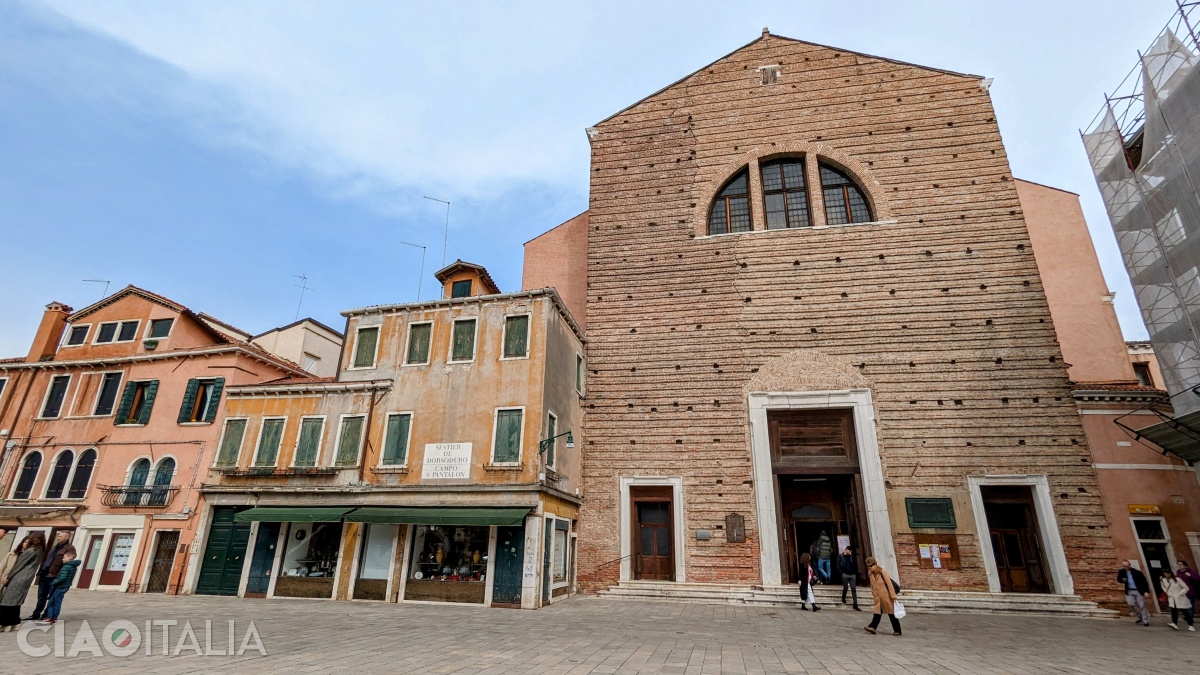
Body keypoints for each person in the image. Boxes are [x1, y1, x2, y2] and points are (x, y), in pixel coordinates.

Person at [0, 532, 46, 631]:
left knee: (8, 601)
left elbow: (19, 565)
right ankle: (14, 623)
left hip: (19, 577)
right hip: (28, 578)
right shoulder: (40, 550)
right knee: (17, 601)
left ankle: (5, 624)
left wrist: (8, 576)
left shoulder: (31, 550)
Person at [27, 530, 75, 622]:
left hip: (53, 576)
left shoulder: (69, 548)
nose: (58, 538)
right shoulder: (55, 547)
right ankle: (36, 614)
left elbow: (70, 559)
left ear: (67, 537)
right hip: (44, 574)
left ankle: (47, 615)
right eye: (58, 536)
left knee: (51, 596)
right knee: (41, 596)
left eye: (60, 536)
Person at [863, 556, 901, 636]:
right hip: (878, 597)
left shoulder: (882, 572)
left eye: (871, 566)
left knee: (891, 614)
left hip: (886, 596)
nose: (870, 568)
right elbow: (872, 586)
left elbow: (889, 584)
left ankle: (897, 630)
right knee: (877, 612)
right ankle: (872, 627)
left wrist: (893, 596)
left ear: (875, 564)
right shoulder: (871, 574)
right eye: (869, 566)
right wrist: (873, 593)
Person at [40, 551, 79, 625]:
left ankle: (50, 617)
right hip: (65, 586)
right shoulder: (73, 566)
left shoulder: (66, 567)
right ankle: (54, 617)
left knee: (52, 602)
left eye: (64, 558)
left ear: (70, 558)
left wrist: (54, 582)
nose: (62, 559)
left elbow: (62, 578)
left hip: (60, 586)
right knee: (57, 601)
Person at [1117, 560, 1152, 626]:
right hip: (1129, 591)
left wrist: (1146, 591)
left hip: (1138, 590)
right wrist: (1122, 580)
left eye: (1127, 566)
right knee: (1130, 604)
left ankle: (1145, 620)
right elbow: (1118, 579)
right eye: (1124, 566)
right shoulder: (1121, 572)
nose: (1125, 568)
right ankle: (1140, 615)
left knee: (1142, 605)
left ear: (1130, 565)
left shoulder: (1137, 572)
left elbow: (1144, 582)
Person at [838, 546, 861, 610]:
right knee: (845, 587)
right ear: (846, 550)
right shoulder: (840, 556)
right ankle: (843, 598)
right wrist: (841, 573)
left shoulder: (852, 557)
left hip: (852, 574)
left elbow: (855, 564)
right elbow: (838, 565)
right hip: (845, 574)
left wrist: (855, 573)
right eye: (850, 551)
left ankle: (855, 604)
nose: (850, 552)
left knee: (853, 588)